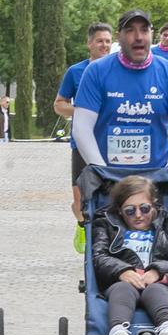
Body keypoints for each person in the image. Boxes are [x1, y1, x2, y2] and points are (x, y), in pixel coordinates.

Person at [72, 10, 168, 171]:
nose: (138, 37)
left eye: (144, 30)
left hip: (156, 177)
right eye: (130, 30)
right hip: (107, 176)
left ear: (151, 34)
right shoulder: (96, 71)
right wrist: (102, 172)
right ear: (118, 36)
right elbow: (81, 128)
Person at [92, 176, 168, 335]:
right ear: (119, 211)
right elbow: (99, 256)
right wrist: (122, 271)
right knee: (122, 289)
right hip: (122, 282)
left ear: (154, 206)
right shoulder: (106, 226)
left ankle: (167, 327)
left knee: (155, 290)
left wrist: (157, 271)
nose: (138, 215)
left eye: (144, 208)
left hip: (160, 284)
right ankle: (118, 331)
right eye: (130, 210)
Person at [54, 22, 113, 226]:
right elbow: (59, 105)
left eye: (107, 41)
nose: (104, 45)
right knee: (79, 199)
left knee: (111, 194)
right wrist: (83, 111)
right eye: (99, 41)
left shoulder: (119, 71)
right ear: (89, 44)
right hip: (81, 141)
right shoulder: (76, 71)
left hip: (110, 141)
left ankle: (103, 236)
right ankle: (82, 224)